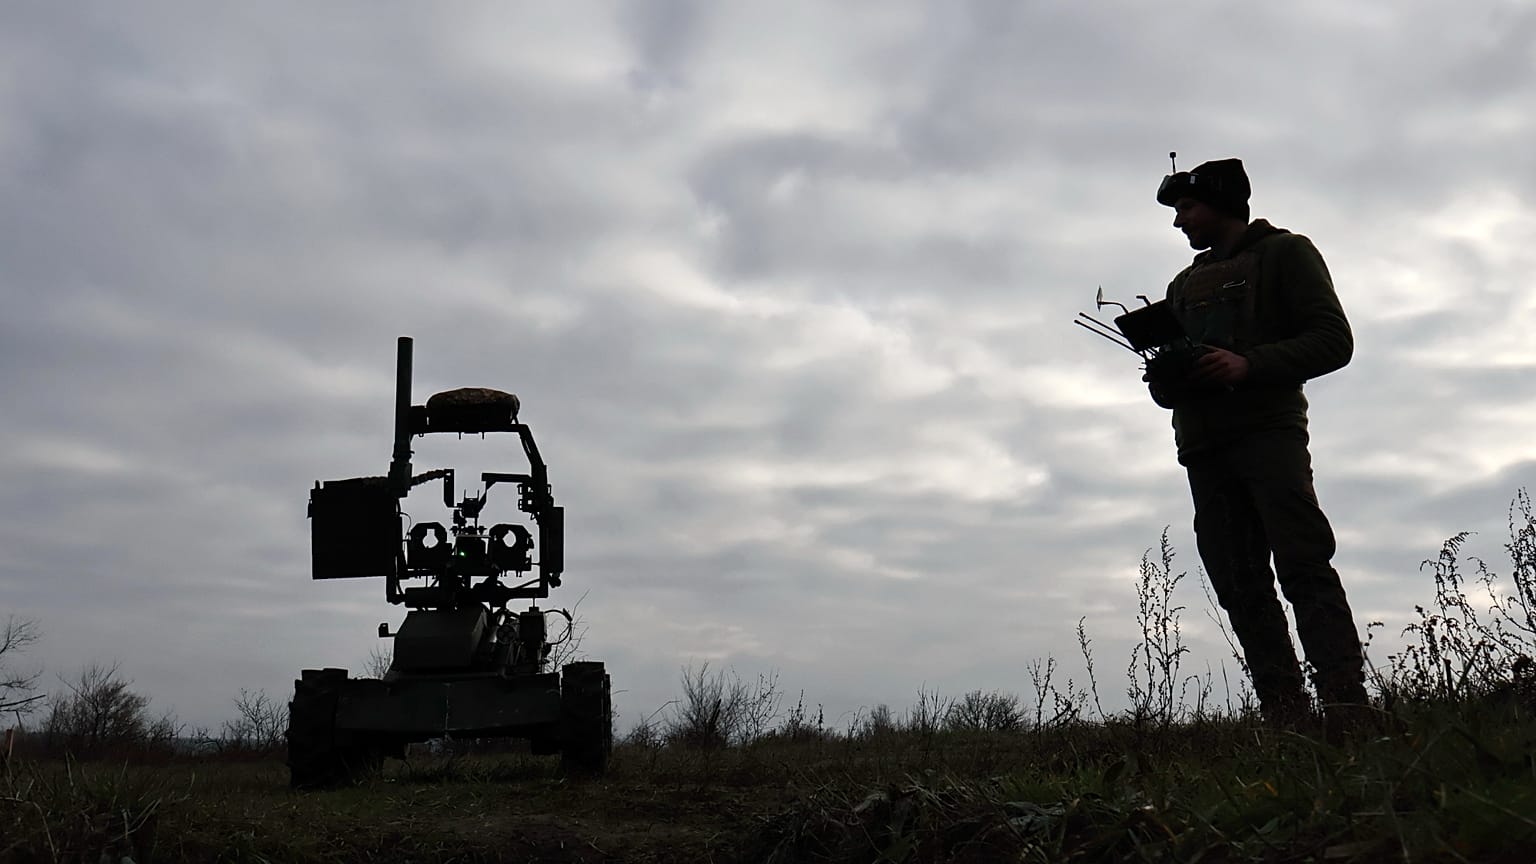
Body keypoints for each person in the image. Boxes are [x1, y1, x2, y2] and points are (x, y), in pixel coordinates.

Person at [1148, 157, 1370, 734]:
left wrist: (1249, 365)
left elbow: (1333, 340)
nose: (1180, 224)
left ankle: (1347, 707)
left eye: (1187, 209)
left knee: (1303, 563)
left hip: (1269, 436)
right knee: (1239, 584)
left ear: (1221, 203)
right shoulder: (1182, 285)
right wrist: (1167, 377)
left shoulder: (1286, 254)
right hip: (1203, 450)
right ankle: (1286, 715)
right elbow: (1169, 390)